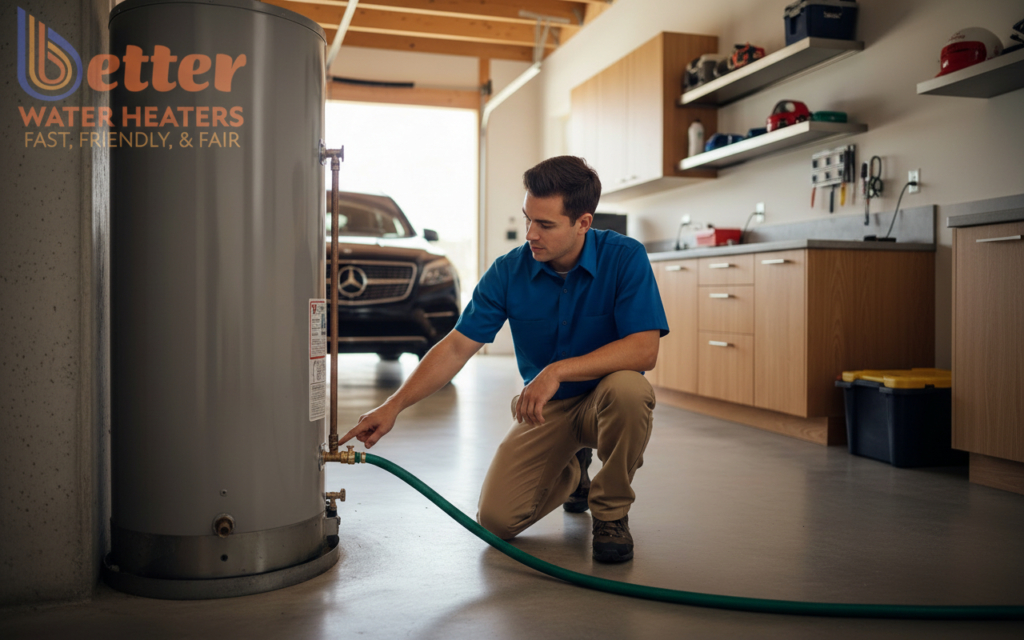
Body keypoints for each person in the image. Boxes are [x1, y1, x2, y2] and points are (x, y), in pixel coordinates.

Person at [341, 156, 669, 563]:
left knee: (630, 389)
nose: (530, 233)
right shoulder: (509, 271)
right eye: (528, 218)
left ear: (583, 223)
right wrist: (394, 406)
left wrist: (557, 370)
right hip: (546, 410)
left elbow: (644, 349)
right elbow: (457, 346)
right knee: (496, 521)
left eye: (545, 224)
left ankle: (611, 512)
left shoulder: (624, 257)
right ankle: (572, 472)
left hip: (607, 401)